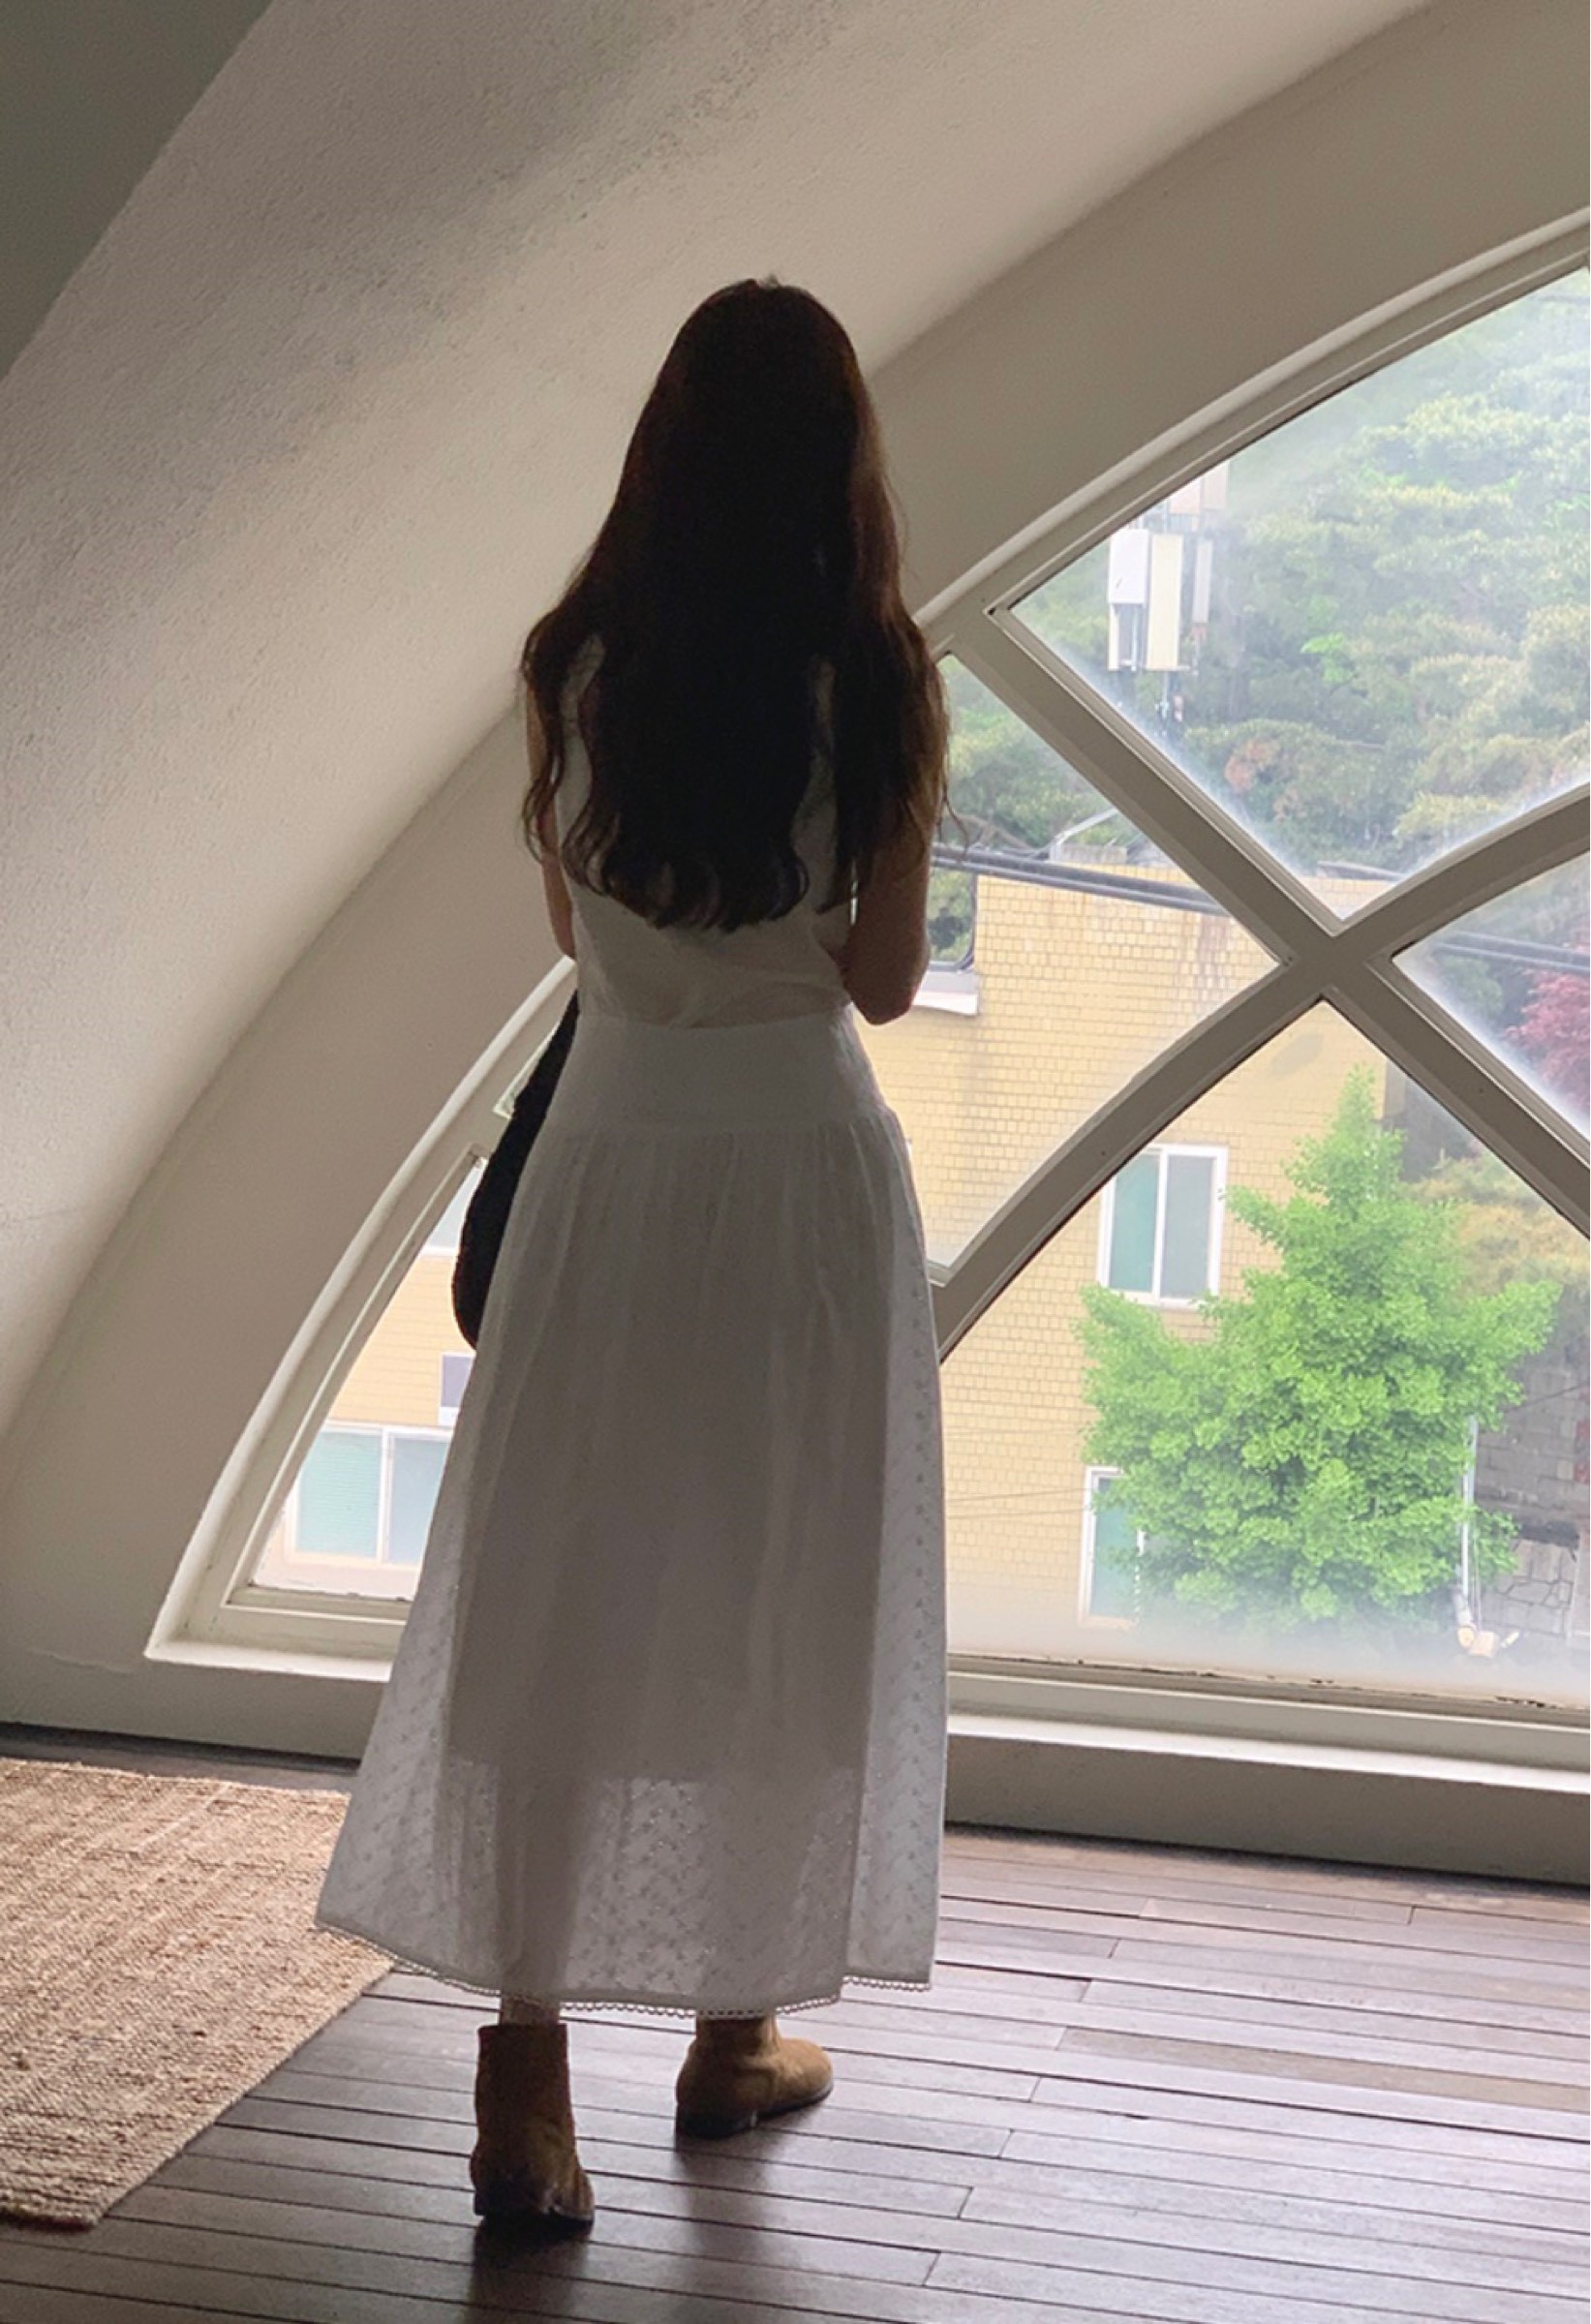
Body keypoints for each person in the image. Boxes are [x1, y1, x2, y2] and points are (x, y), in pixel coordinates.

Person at [314, 276, 952, 2232]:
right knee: (774, 1585)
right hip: (797, 1172)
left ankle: (525, 2085)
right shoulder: (874, 676)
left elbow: (575, 939)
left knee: (564, 1582)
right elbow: (886, 979)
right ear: (837, 465)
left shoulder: (573, 663)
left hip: (613, 1161)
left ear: (660, 452)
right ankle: (733, 2032)